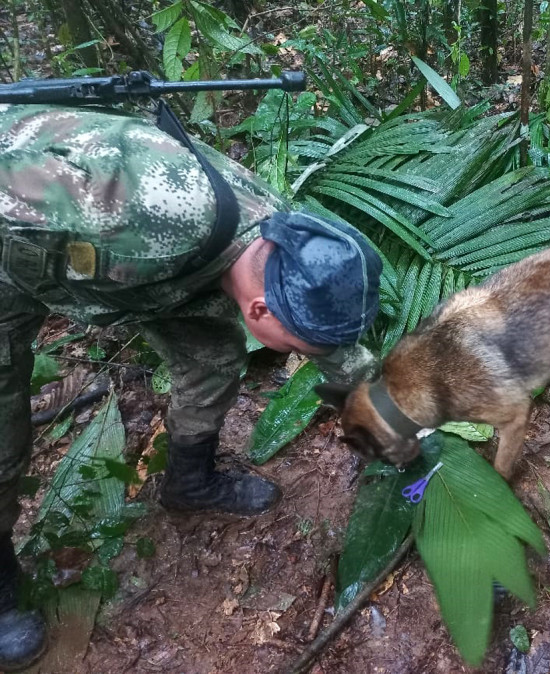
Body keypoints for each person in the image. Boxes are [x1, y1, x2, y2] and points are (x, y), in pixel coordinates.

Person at [0, 103, 382, 670]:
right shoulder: (134, 218)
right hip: (16, 252)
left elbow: (336, 345)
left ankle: (190, 482)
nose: (302, 358)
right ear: (260, 308)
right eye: (297, 349)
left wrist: (391, 419)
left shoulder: (284, 240)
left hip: (146, 276)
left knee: (212, 357)